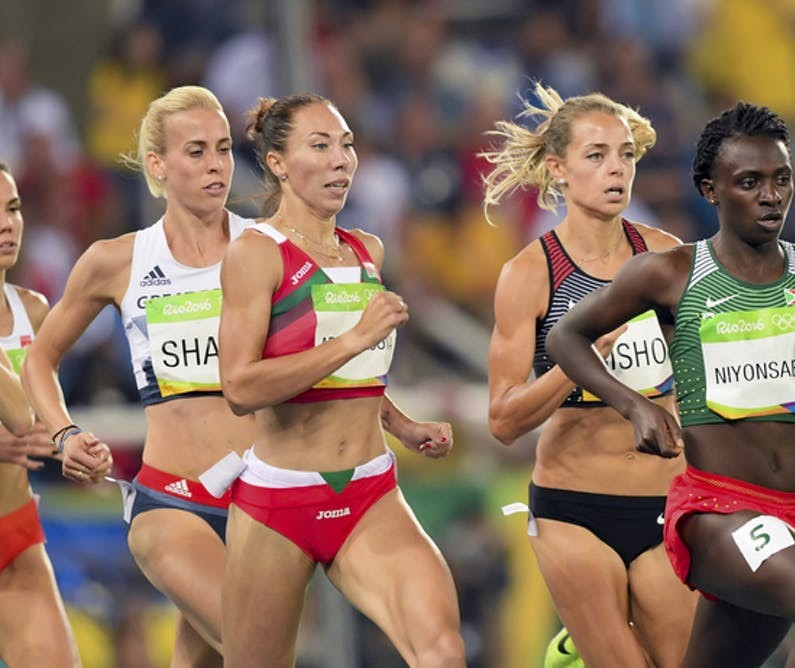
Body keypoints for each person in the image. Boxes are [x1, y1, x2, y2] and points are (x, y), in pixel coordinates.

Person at [548, 101, 795, 667]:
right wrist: (634, 406)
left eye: (781, 179)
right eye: (749, 183)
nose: (771, 196)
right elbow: (565, 336)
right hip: (717, 513)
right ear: (710, 190)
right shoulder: (672, 273)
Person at [216, 93, 463, 667]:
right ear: (278, 163)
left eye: (346, 145)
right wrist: (352, 339)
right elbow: (240, 388)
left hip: (369, 492)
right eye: (320, 145)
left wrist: (401, 423)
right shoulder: (256, 253)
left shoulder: (365, 250)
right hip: (278, 502)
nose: (340, 160)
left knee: (443, 650)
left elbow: (354, 375)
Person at [23, 85, 251, 665]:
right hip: (173, 502)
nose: (216, 165)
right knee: (256, 646)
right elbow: (40, 360)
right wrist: (65, 433)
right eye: (196, 151)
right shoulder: (117, 260)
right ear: (157, 165)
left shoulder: (268, 248)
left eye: (223, 148)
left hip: (263, 504)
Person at [482, 82, 695, 668]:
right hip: (574, 508)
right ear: (558, 169)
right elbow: (503, 421)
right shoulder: (530, 273)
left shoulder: (666, 257)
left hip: (665, 500)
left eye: (625, 154)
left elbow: (701, 379)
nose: (616, 169)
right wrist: (577, 356)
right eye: (596, 156)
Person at [0, 161, 80, 667]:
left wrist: (71, 443)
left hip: (14, 532)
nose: (6, 224)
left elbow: (39, 421)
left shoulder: (34, 311)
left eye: (12, 208)